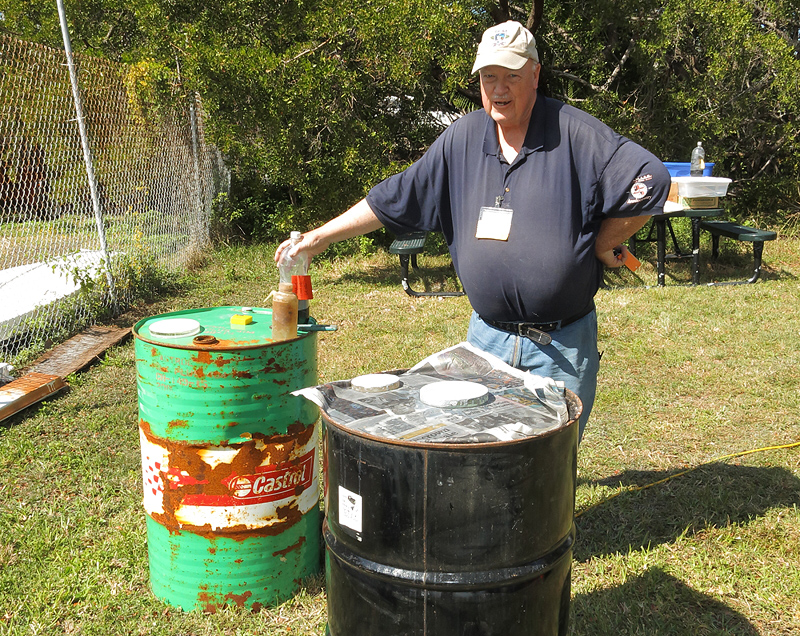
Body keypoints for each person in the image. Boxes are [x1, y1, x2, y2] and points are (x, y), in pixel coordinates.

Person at [275, 20, 671, 440]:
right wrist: (317, 238)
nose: (498, 89)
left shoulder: (575, 133)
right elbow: (394, 197)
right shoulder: (462, 138)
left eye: (511, 76)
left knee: (548, 470)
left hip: (560, 347)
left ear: (535, 75)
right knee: (480, 456)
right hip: (486, 343)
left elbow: (651, 180)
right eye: (488, 77)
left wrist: (602, 244)